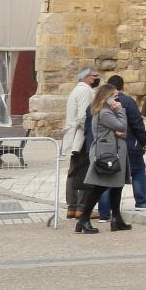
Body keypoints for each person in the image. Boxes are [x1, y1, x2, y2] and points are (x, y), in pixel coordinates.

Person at [76, 84, 132, 234]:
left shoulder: (105, 112)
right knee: (99, 187)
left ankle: (116, 219)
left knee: (117, 186)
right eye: (114, 96)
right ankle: (84, 219)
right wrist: (120, 110)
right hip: (108, 154)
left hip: (113, 152)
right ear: (106, 98)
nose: (117, 99)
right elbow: (122, 126)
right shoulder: (106, 113)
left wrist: (120, 132)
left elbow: (121, 132)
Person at [102, 76, 146, 212]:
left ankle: (105, 208)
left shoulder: (100, 103)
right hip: (129, 144)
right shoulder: (127, 102)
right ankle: (141, 200)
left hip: (107, 147)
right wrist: (144, 140)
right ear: (122, 86)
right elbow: (136, 123)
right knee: (138, 170)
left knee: (108, 177)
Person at [62, 68, 100, 220]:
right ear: (88, 78)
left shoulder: (75, 91)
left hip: (74, 137)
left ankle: (72, 207)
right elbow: (84, 116)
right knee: (84, 171)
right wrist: (91, 134)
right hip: (82, 138)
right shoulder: (87, 92)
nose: (97, 79)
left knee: (73, 171)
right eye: (96, 76)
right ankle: (82, 207)